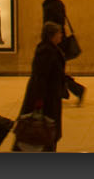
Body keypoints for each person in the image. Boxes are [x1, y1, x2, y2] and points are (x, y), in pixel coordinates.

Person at [15, 21, 70, 152]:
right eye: (59, 33)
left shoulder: (50, 49)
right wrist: (39, 101)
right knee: (46, 129)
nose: (61, 35)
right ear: (52, 36)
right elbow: (40, 78)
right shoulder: (46, 52)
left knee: (50, 129)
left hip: (50, 97)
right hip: (46, 100)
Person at [42, 0, 83, 106]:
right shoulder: (58, 4)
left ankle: (76, 90)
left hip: (55, 44)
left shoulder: (50, 6)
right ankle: (64, 92)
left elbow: (51, 26)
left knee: (54, 70)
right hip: (59, 42)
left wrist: (49, 41)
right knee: (55, 70)